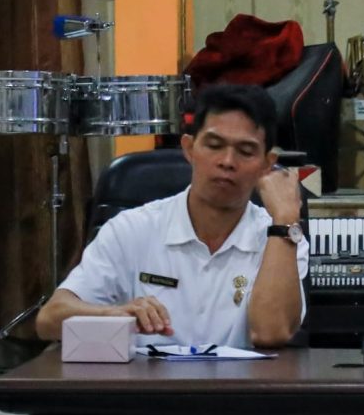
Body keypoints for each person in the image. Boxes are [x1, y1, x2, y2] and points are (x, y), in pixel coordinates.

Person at [35, 82, 308, 349]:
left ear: (266, 164)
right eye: (214, 145)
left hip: (240, 392)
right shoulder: (132, 229)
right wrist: (114, 314)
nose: (227, 161)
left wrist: (284, 221)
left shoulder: (281, 238)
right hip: (144, 390)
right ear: (189, 149)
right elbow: (49, 320)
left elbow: (271, 333)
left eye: (245, 151)